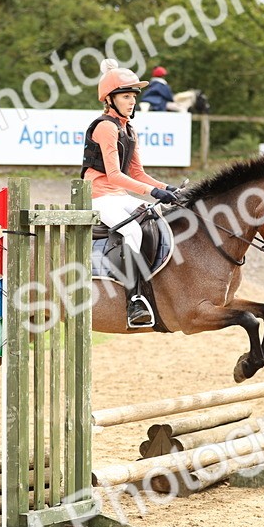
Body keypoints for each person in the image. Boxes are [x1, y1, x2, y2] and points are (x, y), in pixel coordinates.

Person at [81, 59, 178, 328]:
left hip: (119, 195)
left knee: (156, 218)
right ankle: (133, 300)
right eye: (126, 96)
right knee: (133, 231)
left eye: (134, 96)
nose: (132, 101)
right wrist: (154, 191)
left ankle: (152, 285)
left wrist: (166, 188)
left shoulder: (128, 129)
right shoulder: (105, 127)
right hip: (98, 195)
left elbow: (137, 174)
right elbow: (113, 175)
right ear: (109, 99)